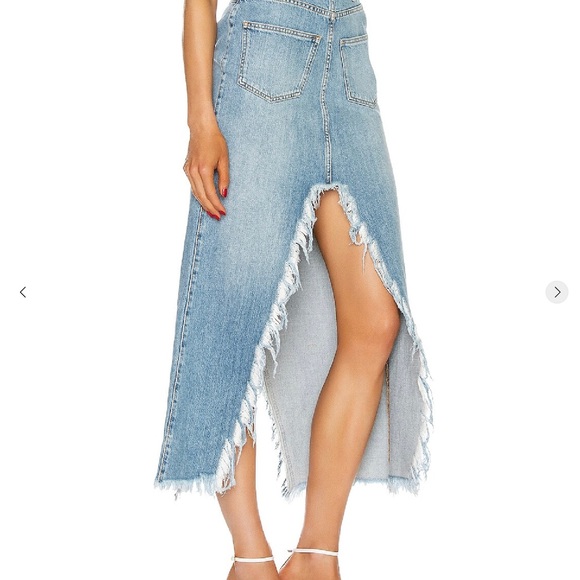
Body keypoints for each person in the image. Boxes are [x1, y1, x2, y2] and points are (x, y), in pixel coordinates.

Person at [154, 1, 433, 579]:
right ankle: (250, 556)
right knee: (232, 321)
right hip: (263, 61)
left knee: (376, 322)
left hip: (350, 63)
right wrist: (202, 122)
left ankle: (314, 555)